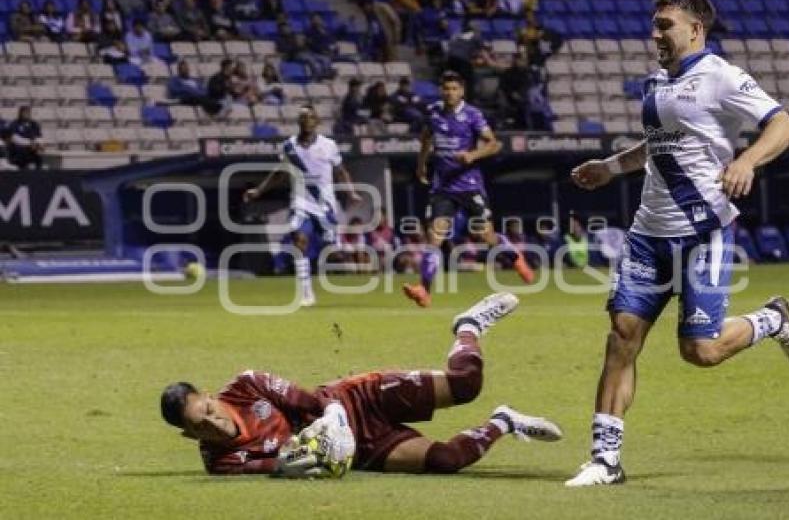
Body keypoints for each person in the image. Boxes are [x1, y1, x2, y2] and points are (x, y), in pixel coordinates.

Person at [565, 0, 789, 487]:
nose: (654, 34)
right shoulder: (659, 82)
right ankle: (604, 460)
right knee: (622, 337)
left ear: (695, 29)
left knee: (701, 352)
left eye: (664, 25)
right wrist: (610, 168)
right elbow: (660, 146)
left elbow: (783, 125)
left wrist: (745, 160)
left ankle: (771, 318)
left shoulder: (721, 76)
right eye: (654, 25)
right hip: (646, 235)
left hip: (702, 234)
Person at [160, 292, 562, 476]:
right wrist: (309, 461)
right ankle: (505, 421)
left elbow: (308, 400)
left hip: (357, 399)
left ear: (210, 396)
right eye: (199, 426)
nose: (211, 424)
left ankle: (469, 326)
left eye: (207, 411)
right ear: (185, 435)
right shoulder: (220, 462)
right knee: (446, 461)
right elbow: (281, 465)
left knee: (467, 383)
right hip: (356, 448)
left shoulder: (247, 385)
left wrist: (333, 415)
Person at [402, 71, 535, 308]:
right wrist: (421, 166)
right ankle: (424, 289)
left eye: (454, 88)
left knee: (487, 236)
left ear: (461, 91)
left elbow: (494, 144)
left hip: (469, 185)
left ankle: (516, 258)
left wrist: (472, 155)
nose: (450, 93)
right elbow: (426, 139)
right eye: (446, 89)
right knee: (434, 236)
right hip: (443, 187)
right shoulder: (433, 113)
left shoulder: (473, 115)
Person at [243, 106, 362, 306]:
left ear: (317, 122)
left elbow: (341, 171)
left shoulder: (328, 145)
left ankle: (335, 253)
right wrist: (259, 190)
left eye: (310, 117)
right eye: (303, 117)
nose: (307, 120)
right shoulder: (289, 146)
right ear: (299, 121)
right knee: (299, 241)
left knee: (331, 248)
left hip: (324, 205)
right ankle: (306, 293)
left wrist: (351, 192)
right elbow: (280, 173)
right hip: (301, 203)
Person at [6, 105, 45, 170]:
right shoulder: (15, 123)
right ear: (20, 113)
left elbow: (39, 137)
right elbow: (15, 138)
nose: (26, 114)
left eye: (28, 112)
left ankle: (38, 171)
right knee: (22, 151)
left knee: (38, 153)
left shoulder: (34, 124)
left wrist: (39, 144)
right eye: (25, 112)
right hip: (18, 149)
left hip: (32, 148)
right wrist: (30, 143)